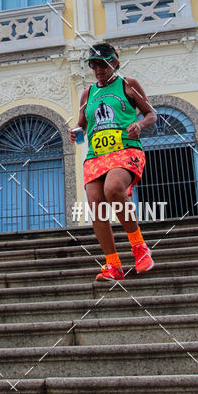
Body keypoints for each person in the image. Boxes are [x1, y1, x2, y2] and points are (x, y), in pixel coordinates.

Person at [70, 43, 157, 281]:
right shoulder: (87, 94)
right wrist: (76, 131)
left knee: (113, 189)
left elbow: (151, 114)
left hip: (125, 149)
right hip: (96, 155)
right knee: (96, 205)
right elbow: (83, 124)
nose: (98, 69)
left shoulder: (128, 85)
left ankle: (140, 249)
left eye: (103, 63)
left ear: (115, 63)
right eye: (94, 64)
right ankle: (113, 264)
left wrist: (139, 124)